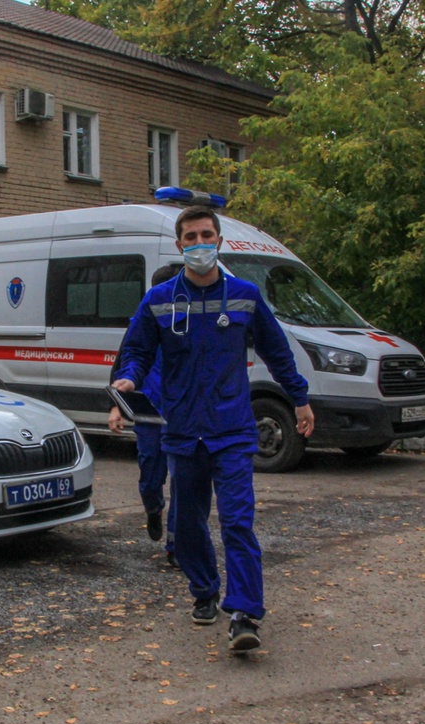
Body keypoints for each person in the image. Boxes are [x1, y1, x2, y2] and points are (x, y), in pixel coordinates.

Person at [112, 205, 315, 653]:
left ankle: (244, 613)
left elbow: (278, 351)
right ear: (179, 244)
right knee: (185, 526)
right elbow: (139, 351)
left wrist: (299, 398)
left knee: (238, 521)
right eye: (191, 236)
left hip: (232, 429)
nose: (199, 243)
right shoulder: (160, 299)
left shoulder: (243, 295)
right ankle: (205, 589)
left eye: (207, 235)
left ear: (218, 242)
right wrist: (129, 376)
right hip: (182, 431)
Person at [108, 264, 182, 568]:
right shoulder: (142, 321)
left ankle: (176, 545)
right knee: (151, 475)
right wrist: (116, 405)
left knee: (184, 480)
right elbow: (123, 362)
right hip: (148, 407)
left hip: (183, 411)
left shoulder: (192, 321)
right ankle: (153, 508)